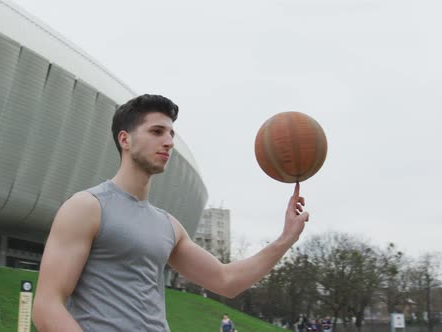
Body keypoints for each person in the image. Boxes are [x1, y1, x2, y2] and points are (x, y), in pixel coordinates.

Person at [32, 94, 311, 331]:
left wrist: (285, 238)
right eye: (156, 132)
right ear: (125, 140)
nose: (168, 142)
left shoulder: (168, 226)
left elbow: (226, 281)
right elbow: (46, 306)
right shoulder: (86, 207)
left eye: (171, 134)